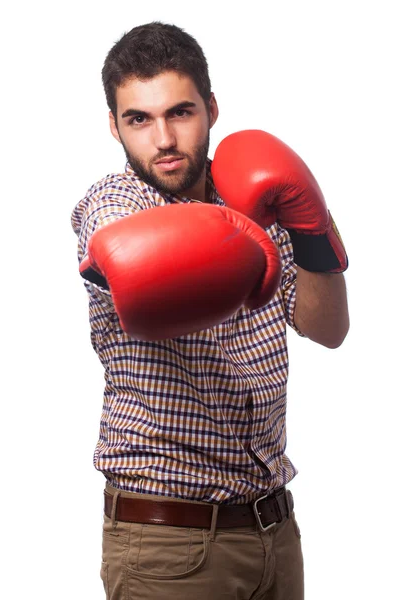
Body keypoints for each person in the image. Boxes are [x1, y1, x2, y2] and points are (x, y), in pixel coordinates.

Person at [71, 22, 349, 600]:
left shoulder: (258, 195)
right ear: (114, 126)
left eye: (180, 111)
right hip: (168, 543)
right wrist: (247, 245)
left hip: (275, 531)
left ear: (212, 108)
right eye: (138, 119)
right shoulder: (115, 204)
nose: (164, 139)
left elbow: (329, 329)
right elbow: (137, 260)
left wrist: (310, 227)